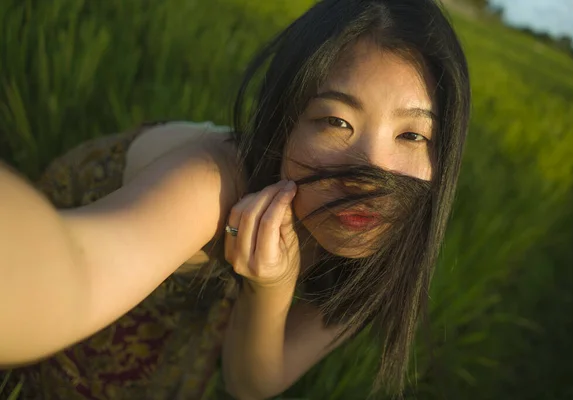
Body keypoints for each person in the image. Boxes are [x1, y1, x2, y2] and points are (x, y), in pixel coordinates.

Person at [0, 0, 470, 398]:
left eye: (412, 134)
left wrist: (270, 291)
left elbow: (252, 383)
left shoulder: (392, 236)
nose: (369, 175)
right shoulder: (213, 182)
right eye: (335, 122)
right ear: (283, 122)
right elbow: (76, 276)